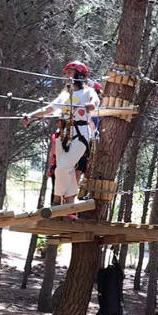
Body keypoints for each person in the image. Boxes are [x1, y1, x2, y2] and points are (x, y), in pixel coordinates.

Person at [22, 61, 99, 209]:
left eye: (70, 73)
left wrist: (92, 105)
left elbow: (94, 100)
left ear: (79, 75)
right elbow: (49, 109)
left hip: (80, 133)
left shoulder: (88, 91)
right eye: (66, 73)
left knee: (62, 168)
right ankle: (70, 205)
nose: (67, 76)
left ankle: (57, 202)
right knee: (64, 169)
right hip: (62, 135)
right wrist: (30, 116)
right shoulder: (64, 95)